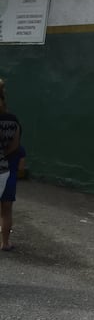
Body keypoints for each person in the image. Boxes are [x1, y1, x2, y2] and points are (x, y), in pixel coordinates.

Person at [0, 77, 23, 252]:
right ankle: (5, 243)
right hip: (4, 171)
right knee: (6, 210)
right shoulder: (12, 120)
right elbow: (15, 147)